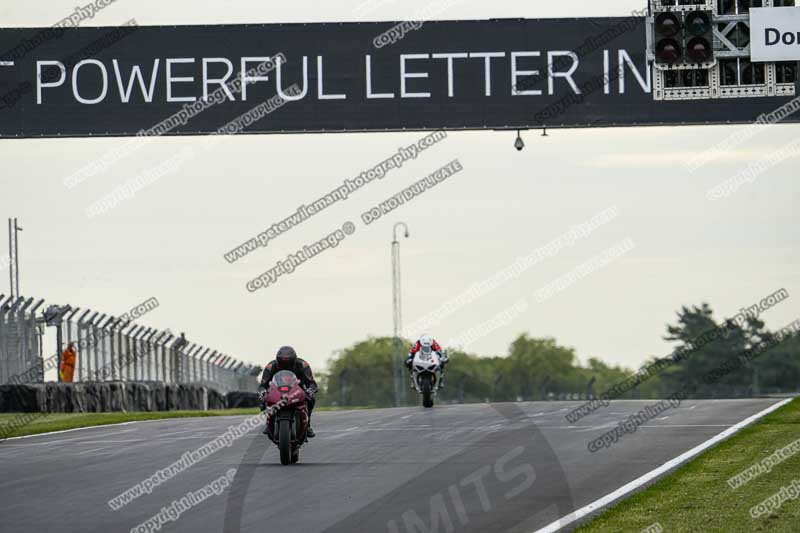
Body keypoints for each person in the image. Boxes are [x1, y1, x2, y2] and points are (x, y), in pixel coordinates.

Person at [258, 346, 318, 438]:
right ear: (277, 361)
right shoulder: (270, 366)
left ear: (294, 360)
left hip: (298, 389)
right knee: (263, 399)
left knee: (311, 399)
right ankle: (269, 422)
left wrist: (311, 390)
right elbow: (263, 384)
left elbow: (311, 382)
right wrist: (262, 392)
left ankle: (308, 424)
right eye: (282, 363)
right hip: (277, 390)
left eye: (288, 363)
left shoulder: (303, 364)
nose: (285, 366)